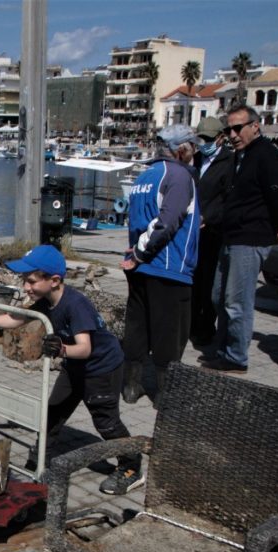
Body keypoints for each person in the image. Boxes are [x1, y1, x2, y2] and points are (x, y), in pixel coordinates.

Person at [0, 245, 141, 495]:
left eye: (31, 281)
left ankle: (132, 467)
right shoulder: (45, 301)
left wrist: (62, 350)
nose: (26, 287)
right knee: (52, 414)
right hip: (74, 366)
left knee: (106, 423)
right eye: (25, 281)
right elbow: (15, 319)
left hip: (102, 368)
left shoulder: (76, 305)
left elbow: (85, 348)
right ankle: (39, 462)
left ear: (54, 280)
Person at [203, 105, 278, 373]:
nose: (233, 134)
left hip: (250, 238)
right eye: (229, 129)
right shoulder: (240, 157)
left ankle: (235, 357)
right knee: (218, 296)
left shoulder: (267, 157)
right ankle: (224, 347)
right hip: (231, 236)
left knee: (236, 301)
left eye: (238, 128)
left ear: (255, 125)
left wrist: (271, 227)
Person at [120, 124, 201, 407]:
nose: (195, 153)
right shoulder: (178, 176)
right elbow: (167, 222)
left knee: (138, 328)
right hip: (168, 267)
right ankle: (165, 397)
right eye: (193, 147)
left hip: (141, 267)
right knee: (170, 334)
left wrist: (135, 256)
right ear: (182, 149)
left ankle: (131, 387)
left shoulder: (146, 175)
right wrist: (142, 253)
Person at [190, 116, 235, 346]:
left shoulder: (229, 162)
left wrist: (209, 218)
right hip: (192, 231)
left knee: (209, 283)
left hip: (212, 231)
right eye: (201, 138)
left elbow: (228, 200)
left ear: (220, 138)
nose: (204, 142)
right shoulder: (196, 160)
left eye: (208, 139)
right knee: (193, 279)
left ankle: (205, 327)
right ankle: (191, 323)